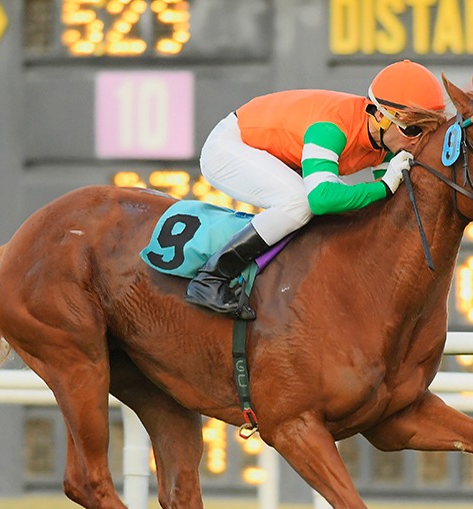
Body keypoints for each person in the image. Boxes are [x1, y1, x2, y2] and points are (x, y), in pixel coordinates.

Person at [184, 60, 447, 320]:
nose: (416, 142)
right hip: (229, 146)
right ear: (380, 116)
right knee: (300, 202)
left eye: (426, 133)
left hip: (271, 154)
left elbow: (386, 208)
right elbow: (320, 199)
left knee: (347, 208)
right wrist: (384, 186)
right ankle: (211, 277)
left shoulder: (386, 141)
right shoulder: (332, 127)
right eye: (412, 130)